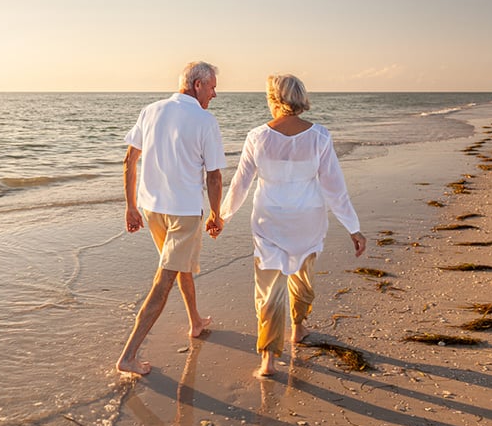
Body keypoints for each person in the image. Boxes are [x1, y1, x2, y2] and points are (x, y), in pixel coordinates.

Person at [220, 74, 366, 377]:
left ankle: (268, 360)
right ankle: (298, 329)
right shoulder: (320, 136)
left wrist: (222, 217)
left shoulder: (257, 136)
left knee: (269, 289)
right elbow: (334, 188)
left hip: (269, 221)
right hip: (308, 221)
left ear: (274, 98)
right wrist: (353, 227)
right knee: (302, 276)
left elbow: (240, 186)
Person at [116, 61, 227, 375]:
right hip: (184, 214)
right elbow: (215, 176)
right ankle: (128, 356)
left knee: (181, 266)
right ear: (197, 85)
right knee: (164, 279)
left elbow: (129, 161)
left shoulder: (150, 110)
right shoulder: (205, 121)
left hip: (152, 209)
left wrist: (131, 206)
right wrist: (217, 214)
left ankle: (195, 321)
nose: (215, 94)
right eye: (212, 86)